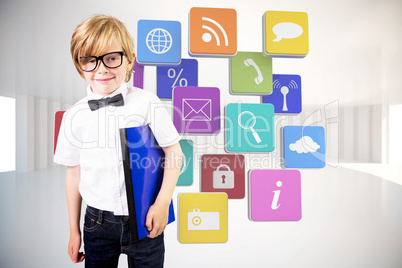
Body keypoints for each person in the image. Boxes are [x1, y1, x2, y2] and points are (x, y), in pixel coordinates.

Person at [54, 15, 183, 267]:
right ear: (79, 65)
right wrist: (73, 230)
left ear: (130, 60)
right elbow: (73, 174)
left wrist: (163, 202)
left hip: (145, 217)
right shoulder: (73, 116)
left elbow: (175, 153)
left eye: (111, 58)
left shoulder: (147, 102)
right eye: (90, 60)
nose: (101, 68)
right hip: (97, 223)